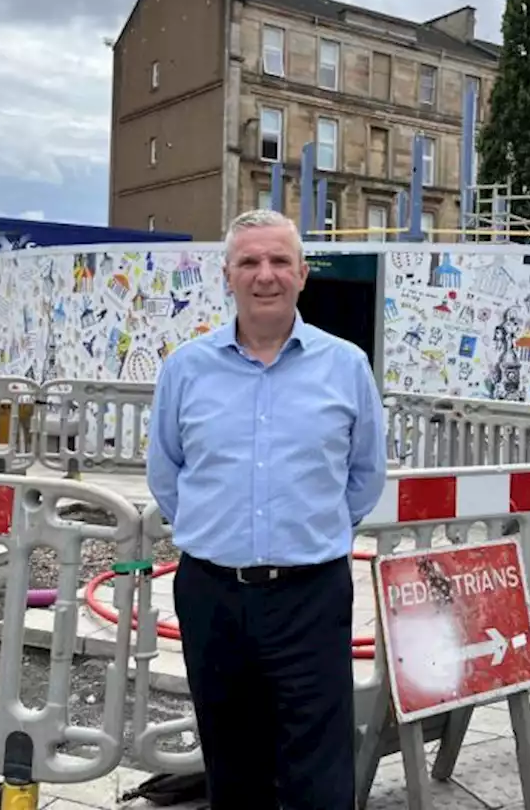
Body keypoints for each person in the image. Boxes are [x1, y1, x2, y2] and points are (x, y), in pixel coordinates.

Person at [146, 208, 386, 810]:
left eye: (280, 260)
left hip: (311, 596)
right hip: (212, 595)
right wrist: (219, 532)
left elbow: (364, 477)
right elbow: (166, 473)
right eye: (249, 262)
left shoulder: (346, 367)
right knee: (232, 764)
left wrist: (305, 532)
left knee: (320, 771)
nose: (265, 275)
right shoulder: (186, 368)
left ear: (304, 274)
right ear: (226, 275)